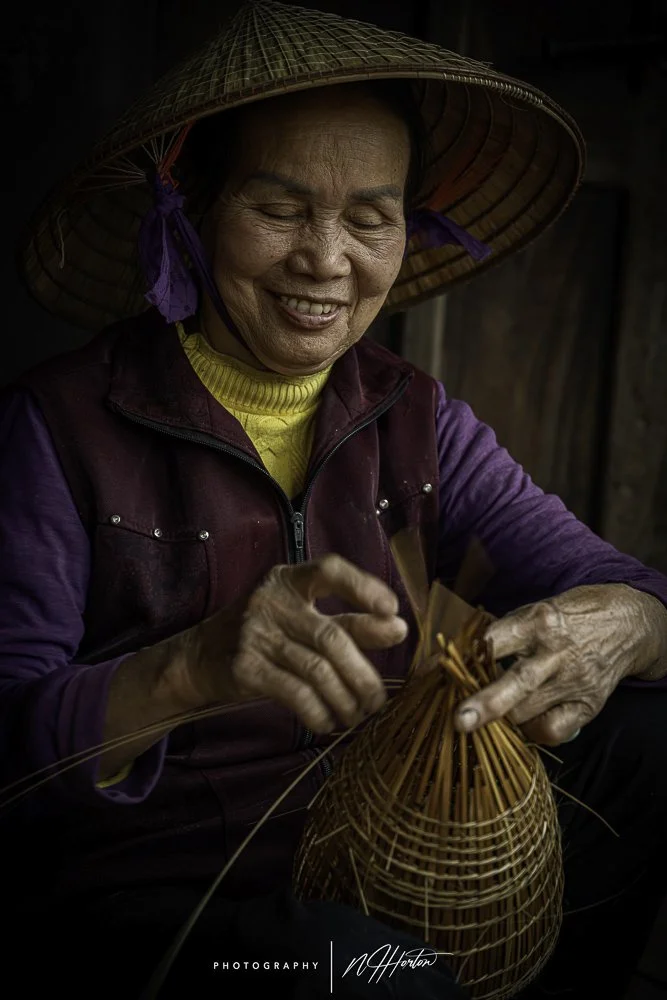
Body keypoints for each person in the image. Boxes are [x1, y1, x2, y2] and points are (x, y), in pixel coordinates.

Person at [2, 2, 667, 998]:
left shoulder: (414, 416)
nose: (326, 260)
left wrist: (627, 620)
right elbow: (11, 752)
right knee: (358, 969)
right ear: (189, 204)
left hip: (373, 858)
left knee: (652, 740)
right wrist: (189, 668)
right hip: (172, 917)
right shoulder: (58, 426)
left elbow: (627, 588)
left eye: (370, 216)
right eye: (277, 209)